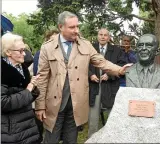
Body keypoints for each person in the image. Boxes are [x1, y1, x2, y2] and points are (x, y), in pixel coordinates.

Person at [35, 11, 131, 143]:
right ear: (60, 27)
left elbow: (101, 61)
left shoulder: (85, 44)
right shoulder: (48, 47)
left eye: (77, 26)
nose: (76, 30)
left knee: (71, 139)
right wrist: (40, 106)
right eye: (72, 27)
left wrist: (119, 70)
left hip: (76, 104)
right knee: (51, 139)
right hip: (54, 104)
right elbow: (42, 78)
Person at [1, 33, 40, 143]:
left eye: (25, 50)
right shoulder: (2, 71)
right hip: (11, 131)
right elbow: (3, 103)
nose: (24, 54)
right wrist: (29, 89)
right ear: (8, 52)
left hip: (27, 127)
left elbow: (26, 97)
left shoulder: (22, 68)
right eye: (20, 51)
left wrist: (33, 88)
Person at [88, 28, 126, 137]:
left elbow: (122, 68)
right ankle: (92, 139)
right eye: (100, 34)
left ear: (109, 37)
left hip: (111, 87)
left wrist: (109, 75)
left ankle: (112, 138)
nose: (103, 37)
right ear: (97, 36)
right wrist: (90, 74)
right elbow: (82, 65)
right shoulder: (90, 49)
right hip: (94, 87)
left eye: (105, 35)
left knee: (112, 117)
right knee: (93, 119)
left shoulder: (117, 50)